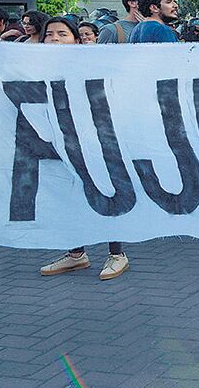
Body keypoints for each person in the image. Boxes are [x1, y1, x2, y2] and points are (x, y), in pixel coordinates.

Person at [37, 16, 131, 281]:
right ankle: (76, 254)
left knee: (106, 193)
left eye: (62, 34)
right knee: (70, 196)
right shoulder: (34, 67)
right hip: (58, 141)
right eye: (50, 34)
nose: (54, 39)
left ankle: (117, 254)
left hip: (95, 139)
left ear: (76, 40)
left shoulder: (93, 64)